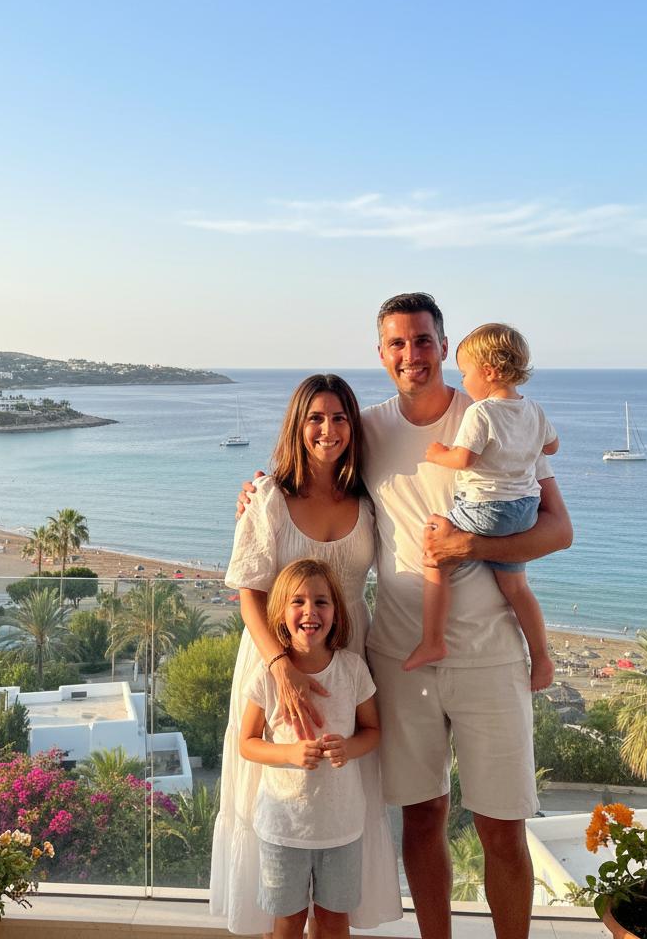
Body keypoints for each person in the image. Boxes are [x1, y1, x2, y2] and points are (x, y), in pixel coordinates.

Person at [237, 294, 573, 939]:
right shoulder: (368, 429)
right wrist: (256, 492)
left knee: (503, 827)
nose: (411, 355)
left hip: (490, 654)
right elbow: (313, 468)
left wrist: (468, 546)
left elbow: (559, 530)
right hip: (396, 657)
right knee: (422, 816)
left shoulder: (495, 416)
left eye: (422, 341)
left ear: (444, 346)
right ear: (381, 353)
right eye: (397, 343)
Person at [209, 374, 402, 937]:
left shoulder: (368, 499)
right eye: (315, 418)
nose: (327, 429)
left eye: (339, 418)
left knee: (341, 788)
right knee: (276, 795)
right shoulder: (269, 497)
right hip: (274, 658)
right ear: (297, 425)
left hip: (349, 661)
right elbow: (249, 593)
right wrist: (280, 669)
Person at [402, 322, 559, 689]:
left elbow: (464, 459)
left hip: (487, 509)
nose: (463, 381)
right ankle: (541, 658)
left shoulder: (481, 412)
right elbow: (552, 447)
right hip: (524, 510)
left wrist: (438, 453)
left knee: (435, 546)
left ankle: (433, 640)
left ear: (488, 371)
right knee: (517, 589)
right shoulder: (534, 410)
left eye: (465, 373)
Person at [239, 558, 382, 939]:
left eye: (321, 601)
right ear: (280, 612)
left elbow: (373, 731)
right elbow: (247, 743)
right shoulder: (268, 676)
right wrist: (288, 754)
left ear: (336, 611)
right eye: (298, 601)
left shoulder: (352, 670)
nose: (310, 611)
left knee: (334, 921)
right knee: (287, 922)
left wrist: (348, 748)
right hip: (283, 829)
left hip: (341, 827)